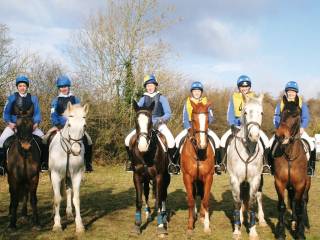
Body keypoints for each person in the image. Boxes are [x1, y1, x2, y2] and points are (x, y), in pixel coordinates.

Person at [124, 74, 178, 174]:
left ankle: (171, 164)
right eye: (147, 85)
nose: (149, 87)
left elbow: (168, 113)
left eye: (151, 85)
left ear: (155, 85)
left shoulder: (162, 98)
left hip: (159, 124)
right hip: (144, 126)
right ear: (145, 87)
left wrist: (160, 120)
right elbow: (138, 111)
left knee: (171, 142)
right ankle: (131, 162)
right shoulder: (143, 99)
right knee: (127, 140)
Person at [219, 75, 271, 174]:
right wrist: (233, 124)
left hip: (251, 127)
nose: (244, 89)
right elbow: (230, 114)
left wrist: (256, 124)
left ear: (249, 87)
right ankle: (222, 164)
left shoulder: (255, 98)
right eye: (242, 87)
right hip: (237, 126)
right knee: (223, 140)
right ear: (239, 87)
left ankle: (265, 164)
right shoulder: (234, 97)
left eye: (246, 87)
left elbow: (259, 113)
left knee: (266, 142)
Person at [42, 75, 93, 172]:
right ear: (59, 88)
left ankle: (88, 163)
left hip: (73, 127)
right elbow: (53, 115)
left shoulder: (75, 100)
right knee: (45, 139)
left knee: (88, 140)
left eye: (65, 86)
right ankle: (44, 163)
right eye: (61, 87)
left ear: (69, 86)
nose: (63, 88)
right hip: (59, 126)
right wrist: (58, 125)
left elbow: (80, 114)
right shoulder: (55, 101)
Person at [0, 75, 44, 175]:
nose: (22, 88)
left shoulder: (33, 99)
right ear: (17, 87)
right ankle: (2, 165)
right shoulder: (11, 98)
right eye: (20, 86)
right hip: (14, 125)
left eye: (24, 85)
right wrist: (10, 123)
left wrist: (36, 123)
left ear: (27, 87)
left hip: (29, 126)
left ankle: (42, 164)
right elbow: (5, 113)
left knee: (43, 139)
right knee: (2, 140)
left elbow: (37, 113)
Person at [270, 81, 316, 176]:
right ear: (286, 92)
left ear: (296, 93)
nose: (291, 93)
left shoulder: (302, 104)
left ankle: (310, 168)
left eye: (293, 91)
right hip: (283, 130)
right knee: (270, 144)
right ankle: (270, 167)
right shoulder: (280, 105)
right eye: (289, 91)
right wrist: (279, 128)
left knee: (311, 145)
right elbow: (276, 117)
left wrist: (302, 127)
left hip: (298, 130)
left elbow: (306, 117)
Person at [174, 81, 221, 173]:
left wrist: (205, 125)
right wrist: (188, 128)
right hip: (190, 128)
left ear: (201, 92)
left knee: (217, 140)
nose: (197, 92)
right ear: (192, 92)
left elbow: (211, 117)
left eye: (198, 91)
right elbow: (185, 118)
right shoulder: (187, 103)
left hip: (203, 128)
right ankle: (176, 165)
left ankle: (217, 164)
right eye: (195, 91)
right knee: (177, 140)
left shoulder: (206, 102)